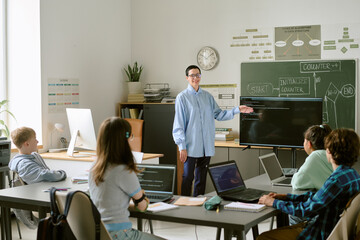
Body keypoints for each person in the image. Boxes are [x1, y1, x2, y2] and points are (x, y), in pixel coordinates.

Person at [257, 128, 360, 240]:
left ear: (329, 151)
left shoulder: (336, 181)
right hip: (333, 231)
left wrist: (273, 202)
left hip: (319, 234)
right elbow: (318, 198)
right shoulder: (352, 175)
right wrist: (287, 197)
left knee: (264, 237)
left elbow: (306, 210)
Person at [172, 65, 253, 197]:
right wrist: (181, 146)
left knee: (201, 178)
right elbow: (179, 124)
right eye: (192, 75)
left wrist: (237, 110)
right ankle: (184, 205)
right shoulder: (182, 97)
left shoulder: (208, 97)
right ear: (187, 78)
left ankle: (198, 204)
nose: (195, 78)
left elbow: (219, 115)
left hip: (206, 146)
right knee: (187, 177)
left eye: (198, 75)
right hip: (190, 146)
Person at [89, 117, 164, 240]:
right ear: (125, 140)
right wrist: (142, 197)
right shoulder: (123, 170)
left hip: (100, 233)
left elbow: (107, 203)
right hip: (120, 235)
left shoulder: (94, 167)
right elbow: (142, 207)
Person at [9, 126, 67, 229]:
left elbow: (47, 173)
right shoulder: (23, 164)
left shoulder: (35, 156)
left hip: (48, 193)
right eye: (35, 139)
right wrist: (62, 173)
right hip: (42, 199)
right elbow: (46, 174)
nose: (37, 141)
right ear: (26, 144)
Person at [289, 124, 332, 225]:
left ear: (309, 144)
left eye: (304, 140)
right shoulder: (330, 154)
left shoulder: (315, 156)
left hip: (323, 214)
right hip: (334, 210)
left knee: (294, 211)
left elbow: (297, 183)